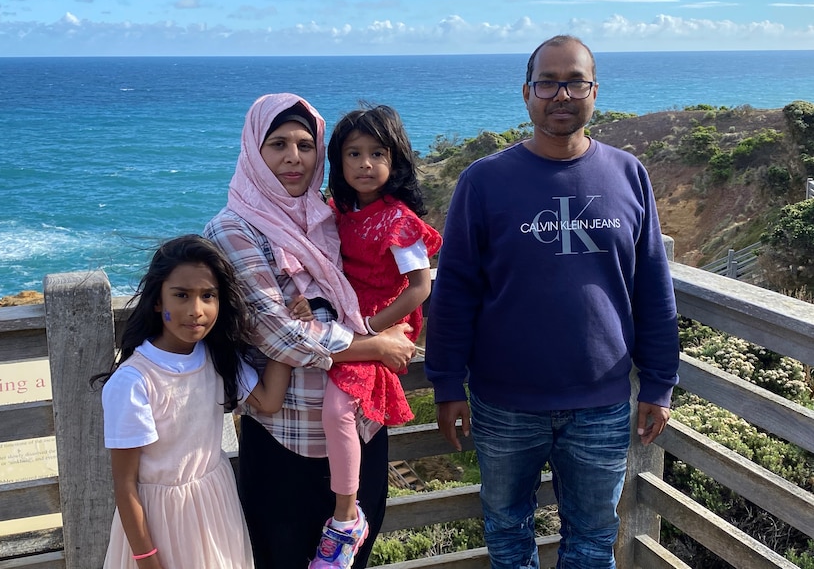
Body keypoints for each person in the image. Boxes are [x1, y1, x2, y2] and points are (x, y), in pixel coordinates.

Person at [424, 35, 680, 569]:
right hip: (503, 403)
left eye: (575, 82)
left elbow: (652, 284)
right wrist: (446, 383)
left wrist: (659, 380)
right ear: (526, 92)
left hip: (603, 403)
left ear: (594, 91)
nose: (560, 94)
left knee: (592, 540)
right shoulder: (484, 180)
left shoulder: (628, 174)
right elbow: (454, 292)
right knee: (507, 530)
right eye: (547, 82)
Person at [204, 93, 416, 569]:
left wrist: (386, 320)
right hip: (287, 442)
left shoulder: (327, 217)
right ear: (253, 152)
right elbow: (280, 335)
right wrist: (375, 344)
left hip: (360, 429)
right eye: (277, 144)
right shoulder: (233, 230)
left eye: (305, 144)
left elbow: (378, 285)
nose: (293, 157)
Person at [91, 234, 295, 569]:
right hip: (161, 523)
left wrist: (288, 329)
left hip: (216, 506)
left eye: (208, 296)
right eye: (182, 295)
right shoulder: (133, 382)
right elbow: (125, 485)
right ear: (158, 301)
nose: (195, 310)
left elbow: (269, 401)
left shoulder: (216, 356)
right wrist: (147, 560)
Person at [310, 105, 442, 568]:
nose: (365, 164)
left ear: (395, 159)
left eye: (377, 153)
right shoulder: (339, 212)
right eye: (353, 153)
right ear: (339, 162)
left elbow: (421, 287)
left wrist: (373, 327)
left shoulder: (398, 221)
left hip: (377, 321)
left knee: (338, 408)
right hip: (347, 318)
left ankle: (347, 518)